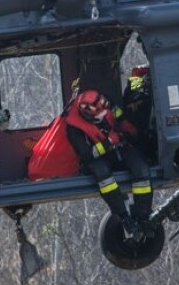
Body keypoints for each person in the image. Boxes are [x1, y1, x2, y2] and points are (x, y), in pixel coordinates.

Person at [65, 88, 154, 239]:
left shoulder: (106, 105)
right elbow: (87, 155)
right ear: (88, 115)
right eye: (100, 114)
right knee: (104, 177)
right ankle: (124, 217)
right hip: (98, 158)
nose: (105, 114)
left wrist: (129, 129)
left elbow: (120, 116)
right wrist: (108, 143)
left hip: (119, 147)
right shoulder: (74, 128)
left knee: (142, 170)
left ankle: (143, 217)